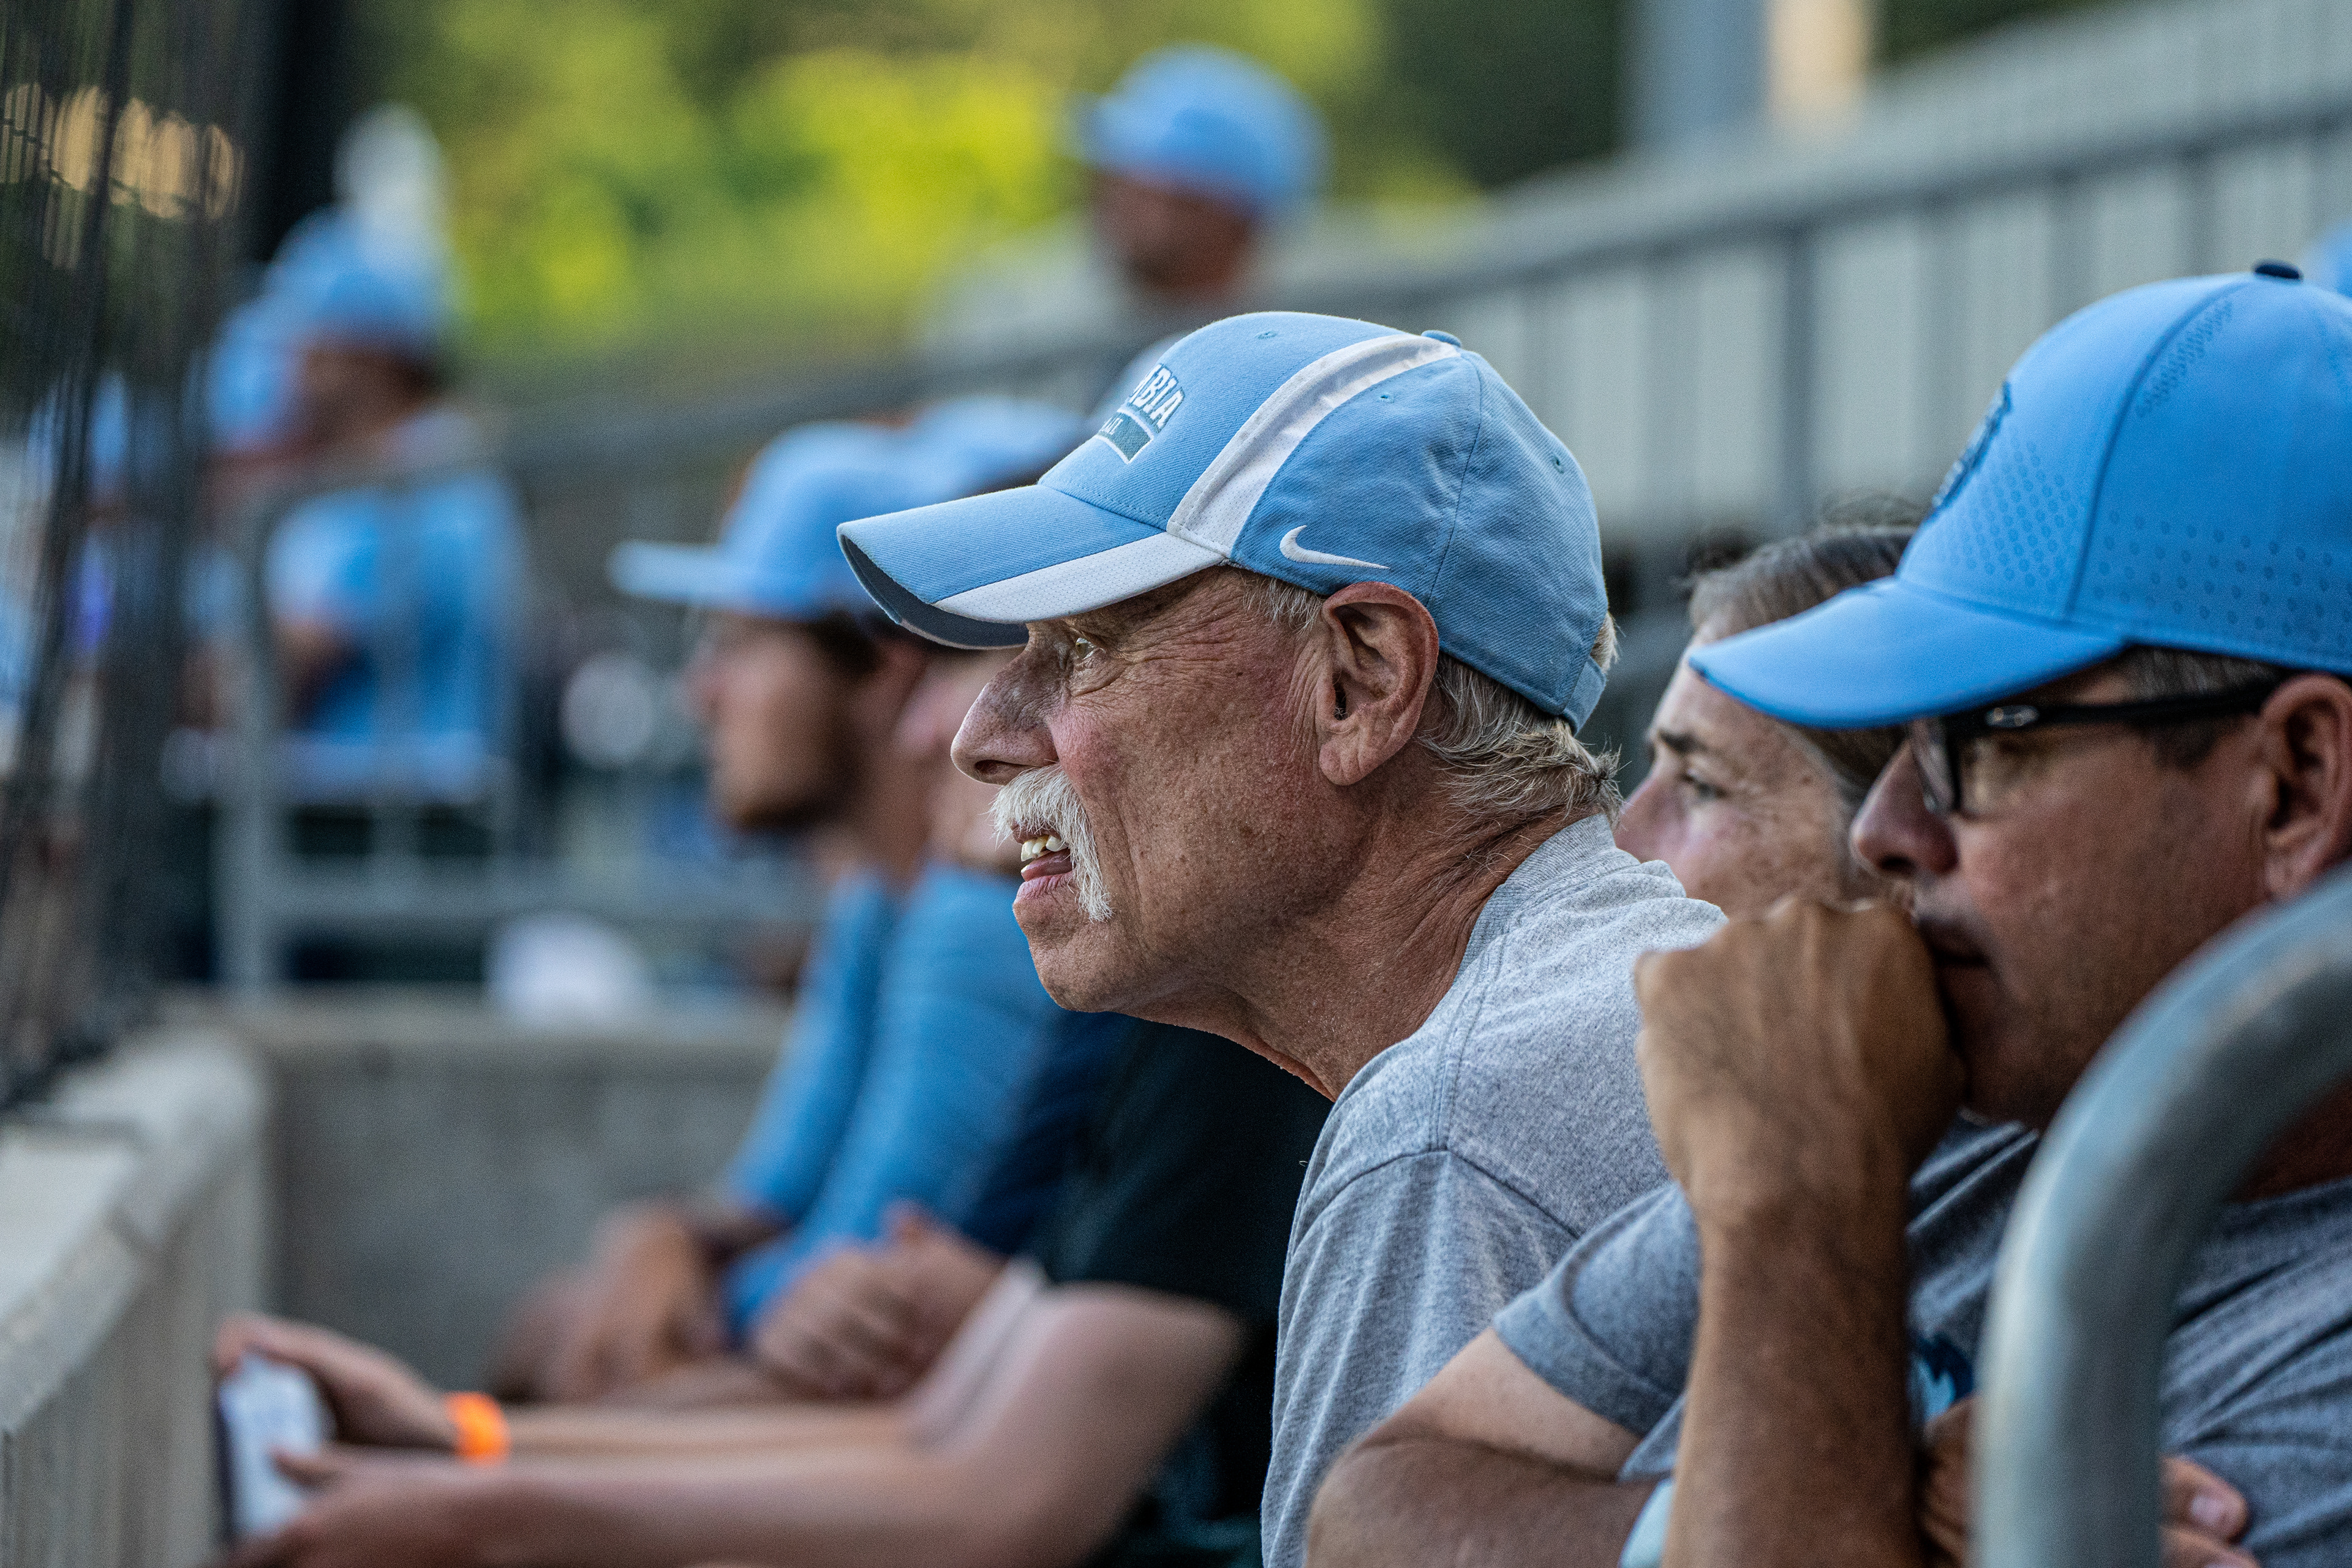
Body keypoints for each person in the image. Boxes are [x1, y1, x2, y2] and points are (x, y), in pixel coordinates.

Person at [1310, 264, 2352, 1568]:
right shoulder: (1957, 1093)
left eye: (1984, 743)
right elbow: (1376, 1504)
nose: (1887, 831)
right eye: (1897, 743)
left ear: (2296, 782)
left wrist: (1801, 1198)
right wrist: (1872, 1504)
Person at [834, 309, 1723, 1568]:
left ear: (1359, 682)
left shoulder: (1456, 1116)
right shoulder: (1572, 1002)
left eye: (1082, 646)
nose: (983, 732)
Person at [214, 1014, 1330, 1568]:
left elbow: (1005, 1499)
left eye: (1083, 656)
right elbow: (928, 1433)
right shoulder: (1178, 1017)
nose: (969, 741)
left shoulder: (1240, 1041)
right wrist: (463, 1444)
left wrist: (479, 1502)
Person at [496, 399, 1109, 1404]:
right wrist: (662, 1235)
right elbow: (778, 1212)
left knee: (576, 1356)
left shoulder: (983, 916)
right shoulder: (882, 901)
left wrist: (685, 1287)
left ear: (880, 666)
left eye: (742, 641)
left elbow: (849, 1305)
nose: (702, 690)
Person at [925, 47, 1325, 360]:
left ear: (1234, 217)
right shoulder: (1009, 307)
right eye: (1116, 169)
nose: (1116, 193)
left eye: (1160, 187)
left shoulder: (1301, 337)